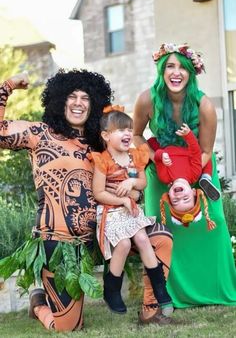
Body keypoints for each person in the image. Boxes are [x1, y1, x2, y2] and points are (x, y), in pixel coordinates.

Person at [0, 69, 173, 330]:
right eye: (72, 96)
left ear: (94, 103)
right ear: (59, 100)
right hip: (61, 244)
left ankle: (152, 311)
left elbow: (131, 175)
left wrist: (133, 191)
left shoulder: (101, 144)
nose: (79, 102)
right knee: (68, 327)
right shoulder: (39, 133)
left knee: (161, 238)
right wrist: (8, 86)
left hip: (106, 231)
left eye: (85, 97)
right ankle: (39, 304)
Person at [133, 43, 236, 308]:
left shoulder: (204, 106)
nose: (175, 72)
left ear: (191, 72)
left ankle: (217, 288)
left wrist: (185, 179)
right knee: (162, 229)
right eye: (170, 66)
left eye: (182, 67)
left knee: (214, 225)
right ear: (161, 70)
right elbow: (135, 135)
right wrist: (155, 158)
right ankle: (165, 294)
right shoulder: (146, 100)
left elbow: (205, 150)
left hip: (196, 165)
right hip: (161, 169)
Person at [91, 107, 173, 316]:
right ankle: (112, 289)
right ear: (106, 136)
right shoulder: (102, 161)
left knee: (144, 240)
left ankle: (160, 289)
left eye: (129, 129)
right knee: (125, 243)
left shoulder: (135, 157)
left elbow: (143, 183)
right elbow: (98, 193)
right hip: (110, 212)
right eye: (120, 130)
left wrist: (132, 181)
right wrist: (122, 200)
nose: (127, 133)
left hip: (131, 211)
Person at [148, 122, 217, 230]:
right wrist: (188, 134)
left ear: (169, 196)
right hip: (186, 146)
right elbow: (195, 152)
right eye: (186, 198)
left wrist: (161, 155)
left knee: (149, 144)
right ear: (193, 191)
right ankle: (206, 177)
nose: (179, 197)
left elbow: (157, 158)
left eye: (175, 201)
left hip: (166, 145)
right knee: (205, 155)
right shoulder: (194, 174)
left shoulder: (164, 177)